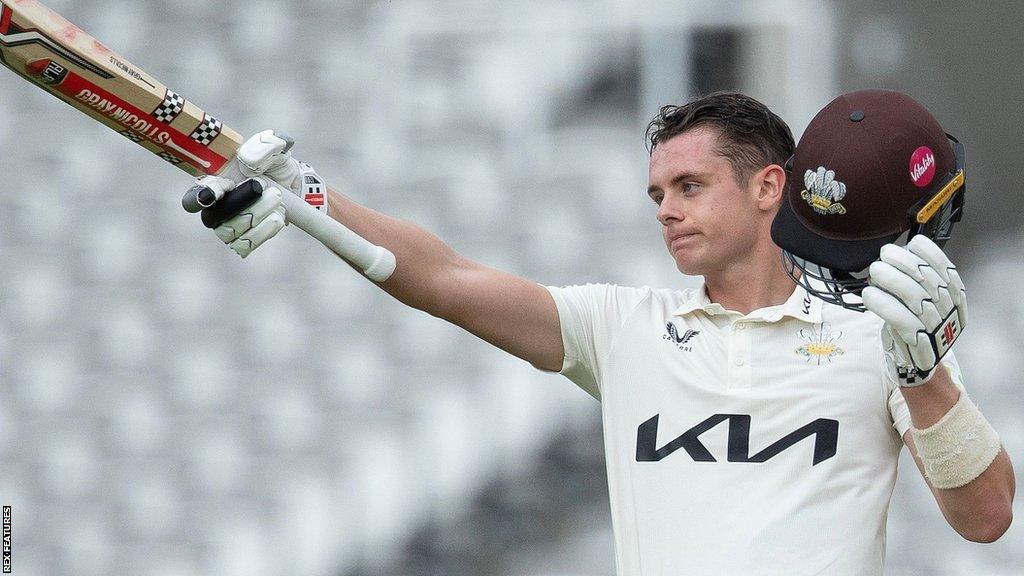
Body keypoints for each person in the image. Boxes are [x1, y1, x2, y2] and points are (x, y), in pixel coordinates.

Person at [183, 91, 1014, 575]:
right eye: (657, 195)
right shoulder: (624, 329)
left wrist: (925, 375)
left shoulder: (880, 342)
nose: (667, 210)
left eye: (689, 185)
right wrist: (311, 199)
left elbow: (986, 519)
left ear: (771, 187)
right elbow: (446, 280)